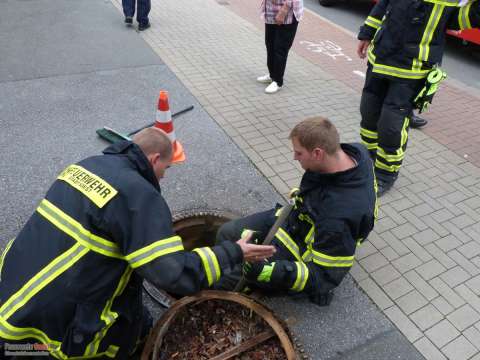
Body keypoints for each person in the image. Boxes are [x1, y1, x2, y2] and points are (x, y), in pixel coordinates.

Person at [0, 128, 275, 359]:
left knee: (139, 319)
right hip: (47, 330)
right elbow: (175, 274)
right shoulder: (139, 197)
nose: (165, 177)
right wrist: (234, 252)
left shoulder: (86, 165)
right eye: (166, 168)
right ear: (155, 159)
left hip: (13, 292)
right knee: (120, 343)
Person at [215, 117, 377, 306]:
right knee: (227, 232)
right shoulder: (356, 153)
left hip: (305, 246)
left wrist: (270, 271)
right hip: (296, 218)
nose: (294, 157)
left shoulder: (338, 219)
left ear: (317, 153)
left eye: (299, 153)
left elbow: (324, 274)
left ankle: (234, 292)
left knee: (242, 272)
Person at [357, 0, 480, 196]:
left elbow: (459, 20)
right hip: (380, 58)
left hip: (412, 69)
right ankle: (369, 159)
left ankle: (385, 173)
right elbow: (384, 4)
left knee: (391, 125)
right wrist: (366, 33)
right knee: (368, 112)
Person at [256, 0, 304, 94]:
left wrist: (284, 10)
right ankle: (272, 75)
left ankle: (278, 81)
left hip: (287, 12)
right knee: (270, 44)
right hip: (271, 10)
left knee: (280, 48)